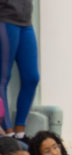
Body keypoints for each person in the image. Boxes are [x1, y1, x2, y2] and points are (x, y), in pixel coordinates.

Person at [0, 0, 38, 138]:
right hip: (4, 19)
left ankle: (20, 132)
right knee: (3, 78)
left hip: (26, 22)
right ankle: (7, 132)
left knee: (32, 78)